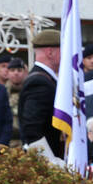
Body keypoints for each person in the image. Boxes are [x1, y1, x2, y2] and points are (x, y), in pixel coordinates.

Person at [19, 29, 64, 158]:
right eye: (63, 50)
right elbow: (32, 129)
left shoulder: (46, 79)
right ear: (50, 52)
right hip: (44, 158)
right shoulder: (39, 82)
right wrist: (49, 161)